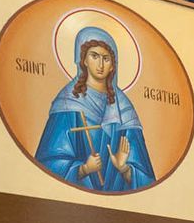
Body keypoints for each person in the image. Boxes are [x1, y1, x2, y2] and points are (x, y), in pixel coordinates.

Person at [35, 26, 156, 192]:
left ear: (113, 65)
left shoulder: (124, 110)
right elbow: (48, 163)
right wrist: (84, 169)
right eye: (94, 56)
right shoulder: (67, 102)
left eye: (106, 58)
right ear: (83, 60)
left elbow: (147, 181)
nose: (100, 64)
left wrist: (125, 168)